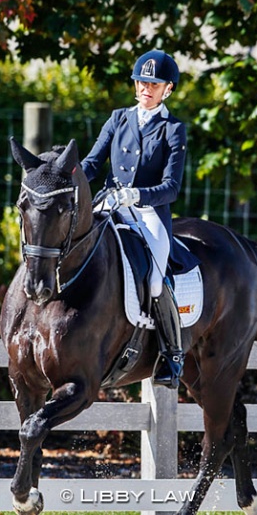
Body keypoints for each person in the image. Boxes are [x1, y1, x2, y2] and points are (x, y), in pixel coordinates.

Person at [81, 49, 198, 389]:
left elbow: (171, 187)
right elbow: (92, 163)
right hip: (110, 207)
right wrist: (65, 174)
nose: (146, 88)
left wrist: (137, 195)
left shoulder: (173, 129)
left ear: (168, 89)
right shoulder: (118, 119)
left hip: (148, 214)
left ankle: (172, 354)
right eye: (142, 82)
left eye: (154, 83)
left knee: (156, 279)